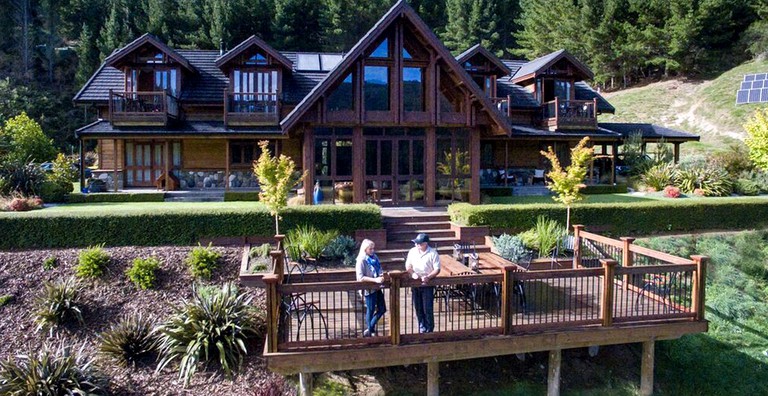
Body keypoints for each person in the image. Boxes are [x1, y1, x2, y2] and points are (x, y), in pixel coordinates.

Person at [405, 233, 441, 333]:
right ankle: (421, 325)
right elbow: (408, 265)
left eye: (419, 244)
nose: (417, 245)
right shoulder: (412, 251)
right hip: (415, 282)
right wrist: (412, 274)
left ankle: (429, 328)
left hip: (427, 283)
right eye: (416, 243)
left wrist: (428, 277)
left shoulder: (433, 253)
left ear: (425, 244)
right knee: (418, 306)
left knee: (427, 308)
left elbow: (437, 269)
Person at [355, 239, 387, 337]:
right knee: (371, 309)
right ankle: (370, 331)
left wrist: (381, 275)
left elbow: (379, 268)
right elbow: (360, 277)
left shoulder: (375, 257)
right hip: (368, 289)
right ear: (365, 249)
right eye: (370, 249)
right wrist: (375, 280)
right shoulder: (361, 260)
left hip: (377, 287)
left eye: (373, 248)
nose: (372, 251)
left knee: (382, 309)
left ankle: (370, 328)